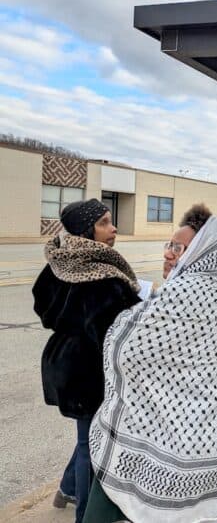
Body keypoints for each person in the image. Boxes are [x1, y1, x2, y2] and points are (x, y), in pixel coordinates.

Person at [85, 204, 217, 523]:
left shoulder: (188, 294)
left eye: (179, 248)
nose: (169, 254)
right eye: (169, 245)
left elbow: (124, 349)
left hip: (177, 447)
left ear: (201, 254)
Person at [32, 199, 141, 523]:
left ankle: (66, 489)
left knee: (86, 435)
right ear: (87, 230)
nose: (114, 227)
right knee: (91, 445)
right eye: (106, 222)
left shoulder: (60, 260)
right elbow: (113, 329)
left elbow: (43, 305)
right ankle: (84, 516)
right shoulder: (100, 275)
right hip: (90, 371)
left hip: (63, 362)